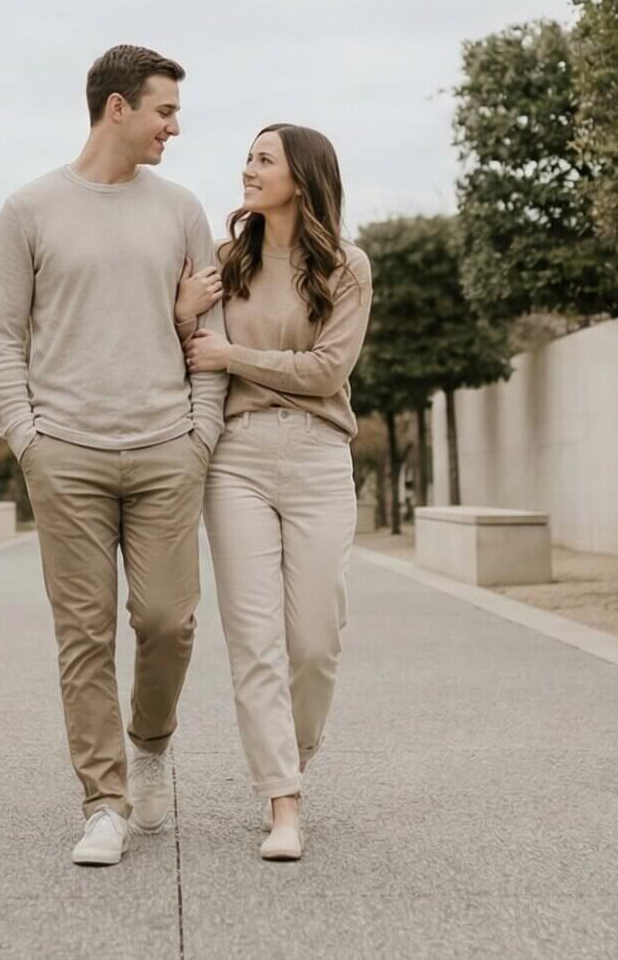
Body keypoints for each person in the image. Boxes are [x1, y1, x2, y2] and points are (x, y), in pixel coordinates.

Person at [0, 45, 229, 867]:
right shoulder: (29, 210)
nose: (175, 126)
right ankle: (104, 803)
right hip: (67, 457)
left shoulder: (184, 210)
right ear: (116, 108)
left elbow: (210, 334)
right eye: (164, 110)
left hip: (166, 449)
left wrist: (201, 434)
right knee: (83, 634)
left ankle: (150, 743)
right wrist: (29, 441)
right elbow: (3, 339)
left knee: (168, 622)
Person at [173, 123, 371, 863]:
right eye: (247, 158)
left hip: (320, 454)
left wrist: (234, 353)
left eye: (264, 160)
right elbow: (193, 351)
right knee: (254, 640)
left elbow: (326, 371)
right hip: (239, 461)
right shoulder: (229, 263)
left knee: (316, 642)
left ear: (303, 177)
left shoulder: (347, 268)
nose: (248, 170)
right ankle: (282, 800)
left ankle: (291, 757)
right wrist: (188, 312)